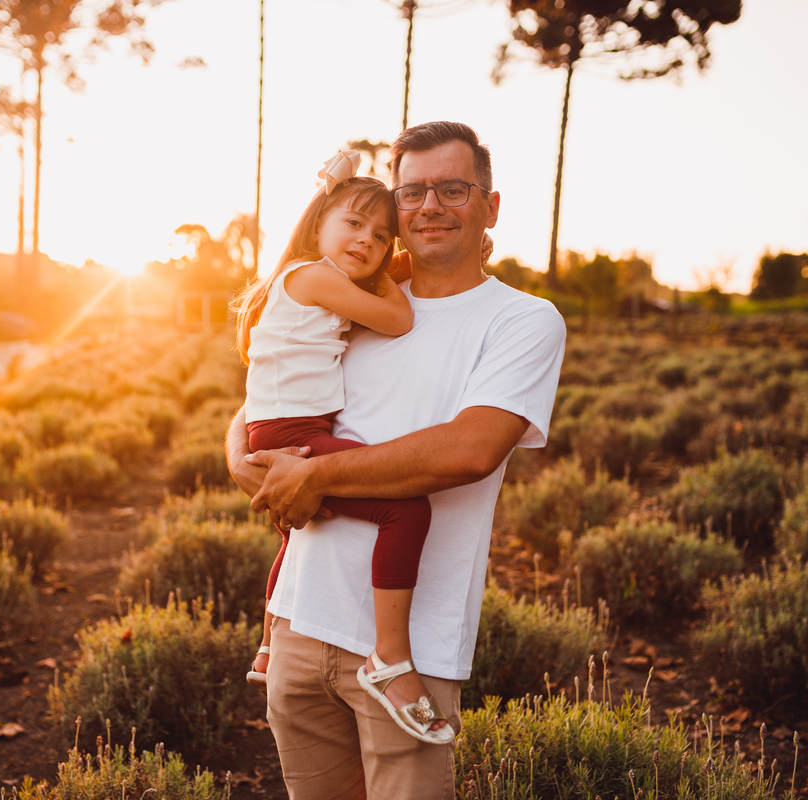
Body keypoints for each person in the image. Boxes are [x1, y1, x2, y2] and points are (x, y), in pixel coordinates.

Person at [226, 121, 566, 798]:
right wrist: (242, 460)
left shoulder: (522, 320)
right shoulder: (361, 297)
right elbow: (262, 398)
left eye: (453, 189)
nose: (430, 206)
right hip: (298, 622)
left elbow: (469, 450)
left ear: (491, 206)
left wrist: (311, 473)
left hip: (413, 648)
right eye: (413, 193)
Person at [232, 151, 449, 744]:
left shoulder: (314, 280)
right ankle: (390, 656)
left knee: (296, 533)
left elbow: (381, 283)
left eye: (381, 237)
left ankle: (269, 646)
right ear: (318, 222)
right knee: (406, 510)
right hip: (293, 434)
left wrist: (393, 265)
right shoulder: (313, 277)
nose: (366, 241)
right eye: (353, 224)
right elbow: (398, 319)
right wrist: (389, 275)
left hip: (281, 428)